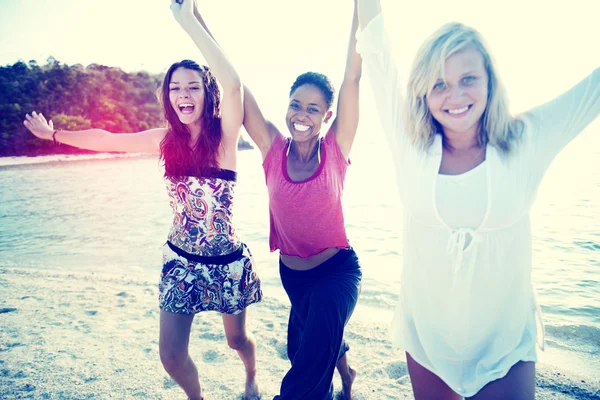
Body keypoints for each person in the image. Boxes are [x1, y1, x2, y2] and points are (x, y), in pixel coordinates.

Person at [356, 0, 600, 399]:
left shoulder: (526, 140)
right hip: (428, 338)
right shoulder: (409, 143)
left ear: (490, 80)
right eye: (439, 83)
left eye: (468, 78)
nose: (455, 95)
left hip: (504, 344)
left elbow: (593, 88)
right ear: (423, 90)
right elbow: (378, 50)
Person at [23, 1, 263, 399]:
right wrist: (53, 136)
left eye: (193, 86)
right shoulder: (164, 140)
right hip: (180, 261)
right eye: (175, 88)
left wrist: (189, 23)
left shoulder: (224, 138)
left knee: (237, 340)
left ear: (207, 93)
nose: (183, 94)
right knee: (170, 355)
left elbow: (234, 84)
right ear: (167, 96)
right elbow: (107, 140)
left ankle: (251, 376)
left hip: (226, 261)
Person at [192, 1, 363, 398]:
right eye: (295, 105)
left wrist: (361, 8)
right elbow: (231, 81)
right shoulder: (271, 148)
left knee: (309, 363)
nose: (302, 115)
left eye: (313, 109)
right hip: (293, 276)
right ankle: (348, 376)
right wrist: (196, 19)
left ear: (327, 116)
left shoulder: (336, 148)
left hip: (337, 271)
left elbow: (352, 76)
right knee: (305, 345)